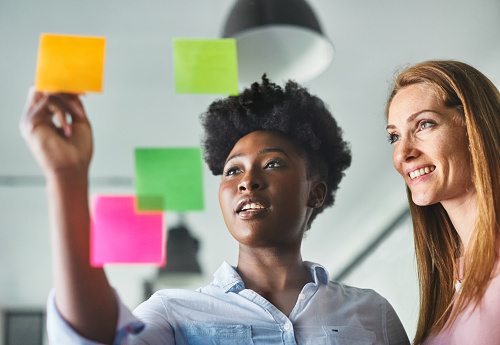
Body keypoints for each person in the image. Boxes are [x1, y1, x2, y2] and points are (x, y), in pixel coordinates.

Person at [21, 76, 410, 344]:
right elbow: (95, 339)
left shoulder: (372, 313)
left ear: (316, 193)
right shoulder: (173, 313)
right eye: (232, 170)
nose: (247, 180)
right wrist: (67, 176)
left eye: (272, 163)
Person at [385, 60, 500, 344]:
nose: (403, 154)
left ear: (474, 127)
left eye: (424, 124)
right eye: (395, 137)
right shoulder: (448, 287)